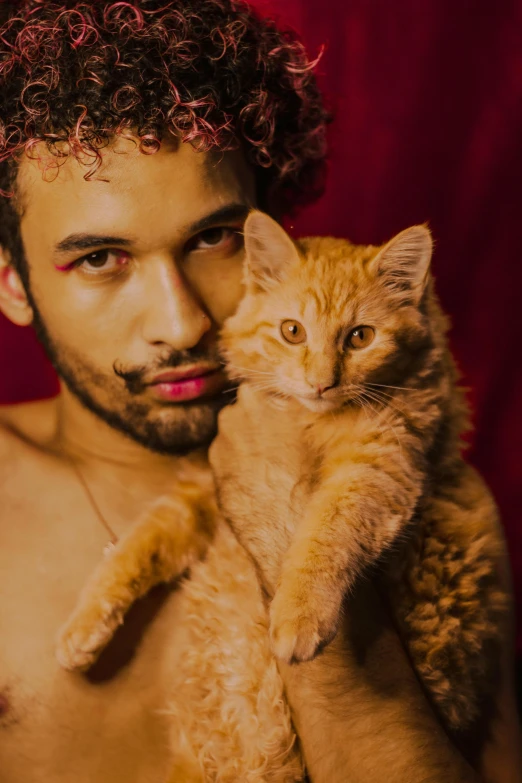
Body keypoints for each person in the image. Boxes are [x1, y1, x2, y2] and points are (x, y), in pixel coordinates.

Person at [0, 1, 519, 781]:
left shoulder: (443, 511)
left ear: (272, 248)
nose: (179, 324)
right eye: (102, 257)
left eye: (212, 239)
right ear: (12, 283)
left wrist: (286, 518)